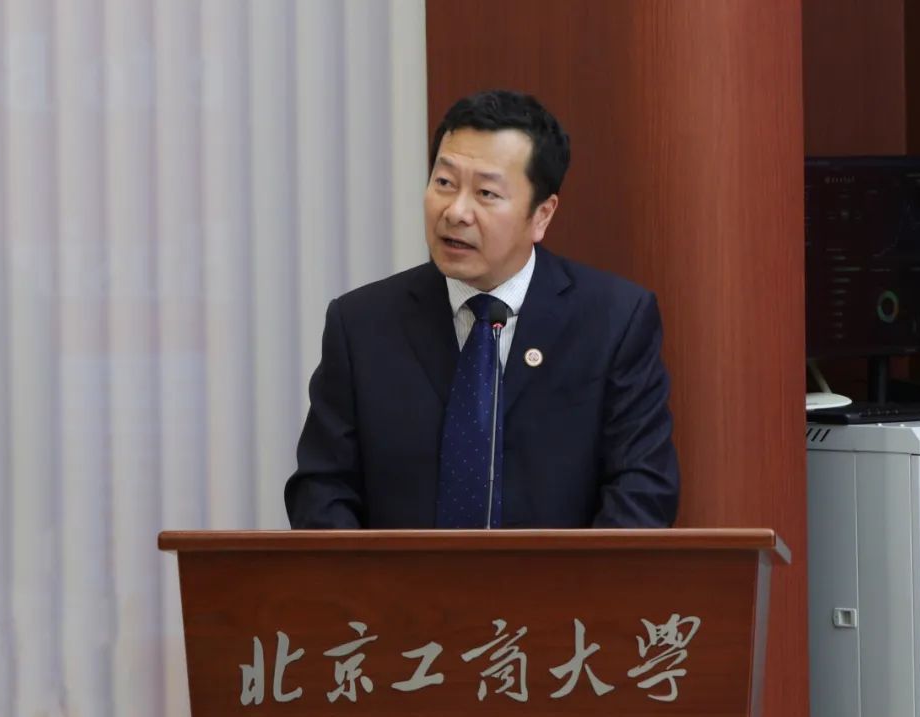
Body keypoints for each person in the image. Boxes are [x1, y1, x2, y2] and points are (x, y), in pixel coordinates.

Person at [285, 89, 679, 529]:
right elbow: (322, 489)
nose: (456, 212)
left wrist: (573, 577)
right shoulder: (361, 324)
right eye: (444, 183)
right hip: (398, 577)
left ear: (542, 215)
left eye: (487, 193)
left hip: (561, 577)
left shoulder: (614, 321)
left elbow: (642, 490)